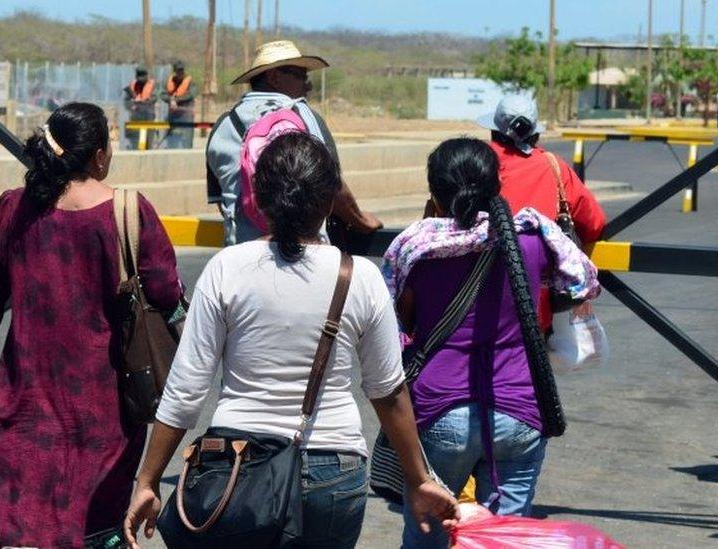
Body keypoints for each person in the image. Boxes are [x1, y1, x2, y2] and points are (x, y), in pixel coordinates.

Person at [124, 132, 458, 549]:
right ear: (328, 201)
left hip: (235, 466)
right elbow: (388, 393)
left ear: (258, 199)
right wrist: (418, 480)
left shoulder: (227, 268)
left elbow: (186, 390)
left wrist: (148, 481)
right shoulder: (361, 277)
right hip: (333, 470)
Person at [0, 103, 184, 548]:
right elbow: (168, 296)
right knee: (92, 530)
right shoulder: (128, 211)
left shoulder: (13, 207)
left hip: (23, 408)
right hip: (104, 414)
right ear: (98, 155)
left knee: (28, 531)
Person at [382, 138, 600, 548]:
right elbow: (582, 282)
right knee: (506, 539)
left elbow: (400, 323)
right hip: (520, 413)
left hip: (440, 411)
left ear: (434, 191)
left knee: (426, 538)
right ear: (496, 185)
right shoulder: (534, 238)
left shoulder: (415, 248)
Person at [206, 39, 383, 246]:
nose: (308, 85)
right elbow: (331, 186)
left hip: (242, 255)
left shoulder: (223, 124)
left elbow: (222, 202)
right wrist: (361, 221)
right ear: (274, 77)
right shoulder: (303, 115)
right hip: (304, 255)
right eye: (301, 76)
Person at [478, 95, 606, 331]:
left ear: (494, 130)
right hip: (535, 310)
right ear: (534, 133)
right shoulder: (552, 165)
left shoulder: (475, 163)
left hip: (474, 308)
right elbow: (595, 222)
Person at [159, 60, 197, 149]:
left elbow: (191, 94)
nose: (180, 73)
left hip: (186, 117)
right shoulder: (168, 81)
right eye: (178, 71)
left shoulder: (190, 81)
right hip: (172, 115)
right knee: (172, 139)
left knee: (186, 140)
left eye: (181, 70)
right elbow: (162, 94)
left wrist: (176, 100)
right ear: (174, 71)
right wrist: (170, 100)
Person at [123, 66, 157, 150]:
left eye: (143, 77)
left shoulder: (152, 85)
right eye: (139, 77)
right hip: (135, 118)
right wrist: (132, 106)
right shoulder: (132, 86)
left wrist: (144, 101)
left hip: (148, 117)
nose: (141, 80)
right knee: (135, 143)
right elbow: (126, 101)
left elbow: (155, 98)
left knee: (148, 143)